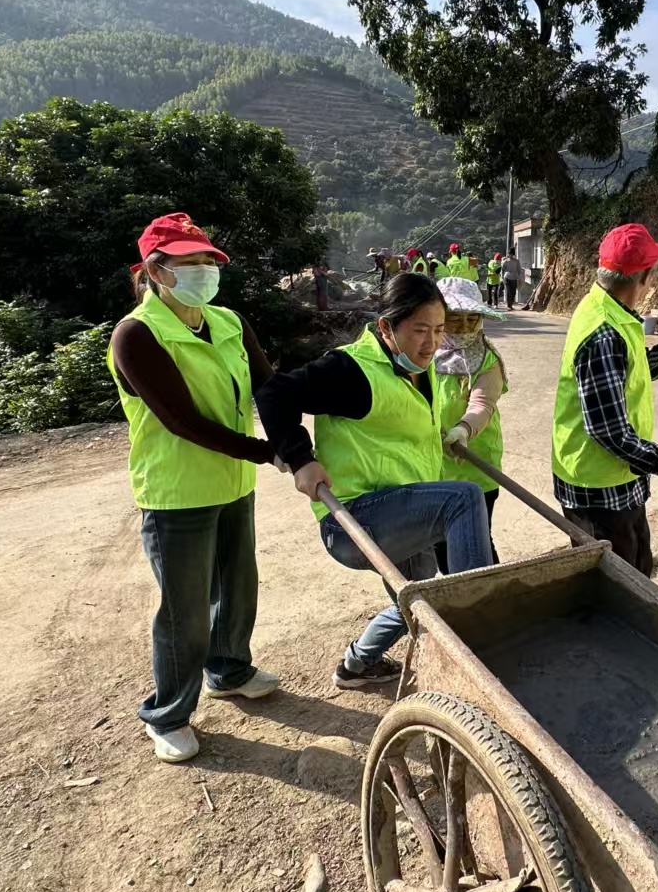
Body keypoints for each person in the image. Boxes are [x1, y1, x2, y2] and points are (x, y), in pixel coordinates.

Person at [256, 272, 494, 689]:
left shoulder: (420, 368)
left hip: (402, 511)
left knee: (420, 601)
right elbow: (275, 393)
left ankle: (357, 664)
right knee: (462, 498)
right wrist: (300, 459)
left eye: (439, 329)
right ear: (386, 327)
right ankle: (481, 630)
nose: (432, 342)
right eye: (419, 330)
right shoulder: (352, 369)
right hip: (354, 520)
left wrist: (449, 435)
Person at [107, 213, 281, 764]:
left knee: (238, 587)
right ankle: (168, 715)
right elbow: (182, 421)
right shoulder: (137, 334)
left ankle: (228, 671)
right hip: (177, 493)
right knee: (185, 610)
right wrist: (268, 452)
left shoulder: (229, 321)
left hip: (233, 482)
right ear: (157, 270)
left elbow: (269, 388)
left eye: (209, 260)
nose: (205, 270)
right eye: (191, 261)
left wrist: (301, 433)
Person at [550, 224, 658, 575]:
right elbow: (608, 431)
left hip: (617, 475)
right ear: (645, 276)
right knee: (615, 583)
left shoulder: (608, 310)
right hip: (596, 486)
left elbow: (629, 372)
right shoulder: (603, 332)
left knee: (638, 563)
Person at [432, 277, 507, 571]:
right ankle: (455, 590)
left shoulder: (488, 360)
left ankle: (494, 592)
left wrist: (463, 430)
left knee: (476, 542)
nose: (464, 327)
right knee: (439, 541)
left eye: (471, 318)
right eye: (454, 318)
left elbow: (482, 405)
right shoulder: (422, 354)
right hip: (432, 466)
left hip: (476, 464)